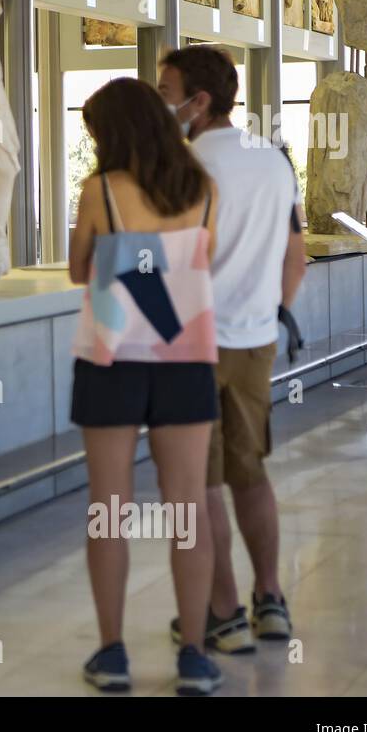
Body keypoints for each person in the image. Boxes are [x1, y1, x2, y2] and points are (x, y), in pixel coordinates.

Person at [70, 77, 222, 696]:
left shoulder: (100, 190)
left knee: (109, 508)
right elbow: (204, 261)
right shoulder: (204, 190)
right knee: (187, 505)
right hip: (187, 356)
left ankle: (112, 654)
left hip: (111, 357)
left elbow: (82, 268)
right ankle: (193, 655)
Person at [158, 45, 306, 653]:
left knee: (202, 483)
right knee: (250, 472)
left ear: (200, 100)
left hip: (194, 344)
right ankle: (269, 598)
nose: (161, 99)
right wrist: (269, 314)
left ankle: (222, 614)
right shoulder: (273, 159)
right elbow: (296, 258)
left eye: (167, 90)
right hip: (256, 340)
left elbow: (168, 264)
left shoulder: (183, 166)